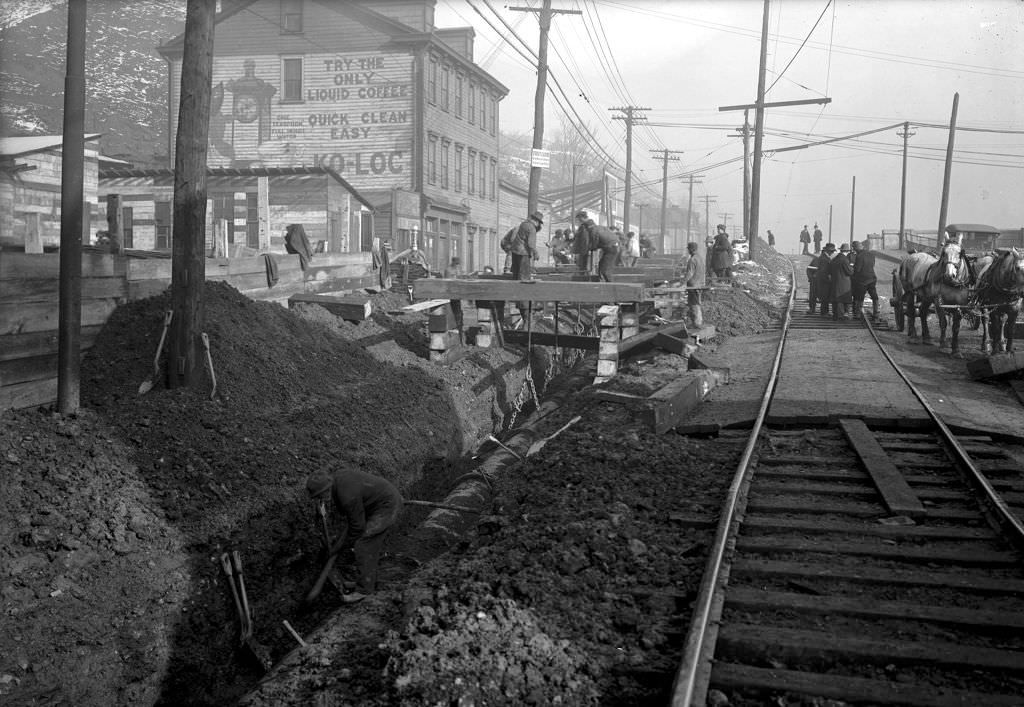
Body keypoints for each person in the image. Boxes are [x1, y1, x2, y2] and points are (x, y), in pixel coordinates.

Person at [306, 468, 403, 603]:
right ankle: (364, 581)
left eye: (320, 496)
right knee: (365, 542)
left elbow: (357, 528)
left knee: (364, 544)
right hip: (376, 502)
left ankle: (364, 590)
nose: (320, 499)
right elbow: (354, 517)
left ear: (327, 490)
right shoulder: (337, 480)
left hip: (386, 505)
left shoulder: (347, 497)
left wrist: (340, 547)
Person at [574, 210, 620, 282]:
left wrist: (590, 248)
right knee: (601, 266)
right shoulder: (595, 227)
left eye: (580, 219)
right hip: (610, 247)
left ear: (582, 218)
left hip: (611, 248)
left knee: (604, 270)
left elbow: (594, 241)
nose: (579, 221)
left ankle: (610, 285)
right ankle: (604, 283)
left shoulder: (592, 229)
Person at [510, 211, 543, 281]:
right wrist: (536, 253)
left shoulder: (523, 224)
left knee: (516, 275)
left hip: (515, 250)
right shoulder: (532, 229)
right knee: (524, 277)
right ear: (536, 221)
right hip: (523, 253)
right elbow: (531, 244)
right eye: (539, 223)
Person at [851, 240, 879, 319]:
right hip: (872, 278)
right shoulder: (871, 254)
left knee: (859, 296)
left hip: (862, 280)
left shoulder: (859, 256)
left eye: (854, 248)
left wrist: (852, 269)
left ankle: (858, 314)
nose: (854, 250)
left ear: (856, 248)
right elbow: (872, 265)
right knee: (874, 296)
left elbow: (858, 269)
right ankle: (876, 312)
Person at [680, 241, 706, 327]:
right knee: (692, 302)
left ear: (691, 249)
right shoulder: (700, 258)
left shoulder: (692, 260)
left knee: (694, 303)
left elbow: (689, 274)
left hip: (694, 285)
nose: (688, 251)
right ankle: (689, 319)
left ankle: (698, 322)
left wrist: (682, 282)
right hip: (700, 283)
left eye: (688, 249)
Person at [829, 242, 854, 320]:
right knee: (843, 298)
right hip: (844, 282)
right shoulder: (844, 260)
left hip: (835, 282)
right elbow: (850, 272)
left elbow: (830, 270)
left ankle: (836, 315)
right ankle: (842, 315)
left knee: (836, 299)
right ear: (846, 251)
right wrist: (852, 267)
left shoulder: (835, 259)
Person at [816, 242, 835, 318]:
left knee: (825, 297)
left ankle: (825, 312)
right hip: (824, 281)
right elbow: (823, 271)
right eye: (832, 251)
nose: (832, 253)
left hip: (823, 280)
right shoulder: (824, 259)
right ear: (828, 251)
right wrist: (828, 279)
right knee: (825, 297)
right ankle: (824, 313)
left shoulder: (823, 257)